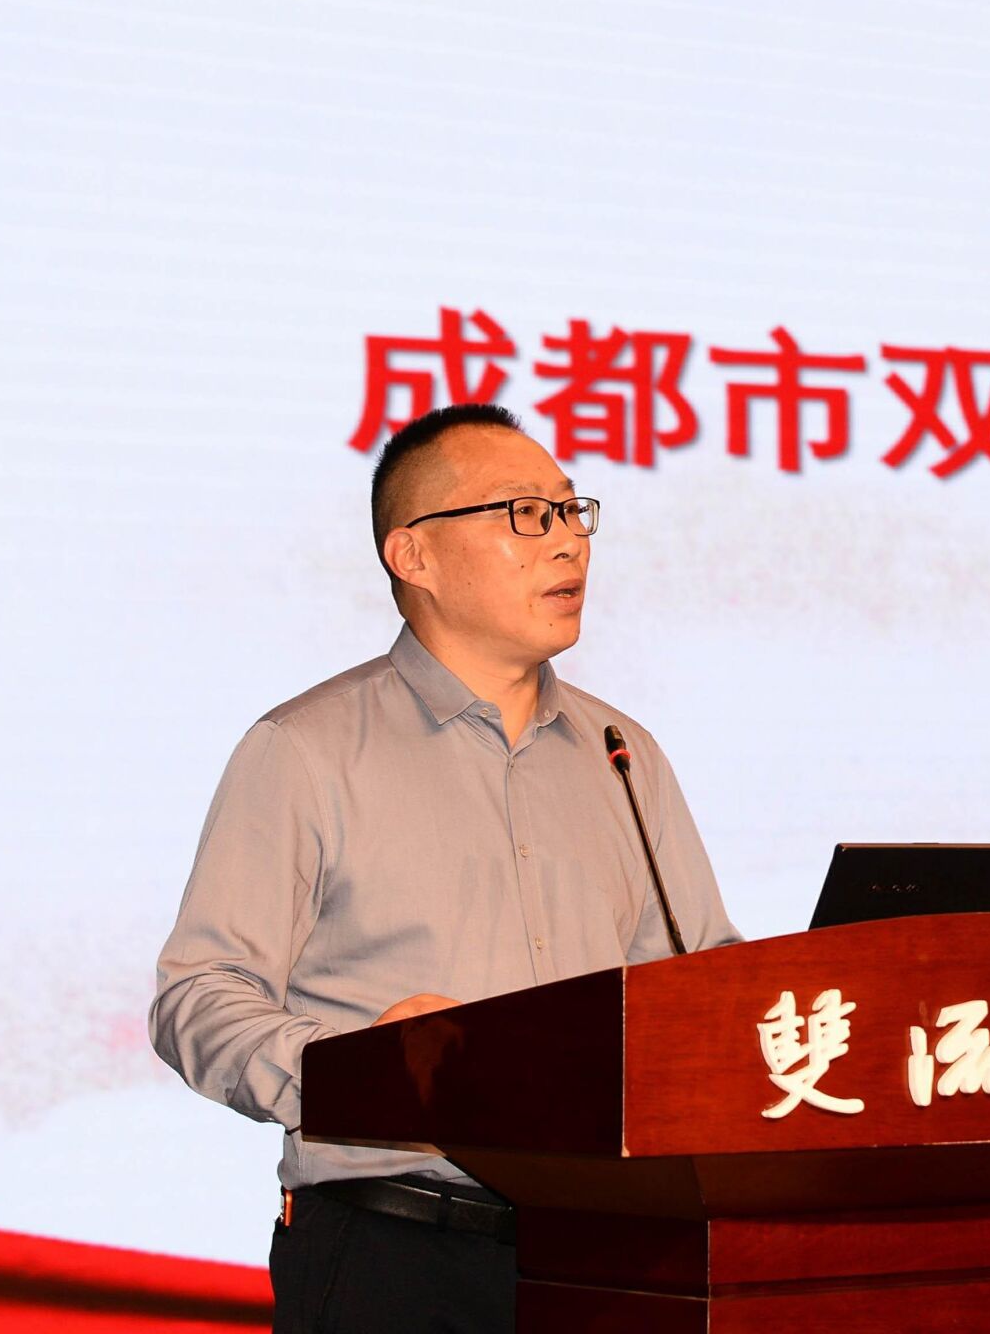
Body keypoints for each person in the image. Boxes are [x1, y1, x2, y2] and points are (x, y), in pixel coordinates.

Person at [152, 402, 740, 1333]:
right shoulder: (306, 750)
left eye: (571, 510)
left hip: (605, 1258)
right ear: (413, 555)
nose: (568, 542)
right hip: (396, 1254)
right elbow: (199, 996)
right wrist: (355, 1073)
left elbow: (699, 988)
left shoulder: (622, 755)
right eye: (526, 515)